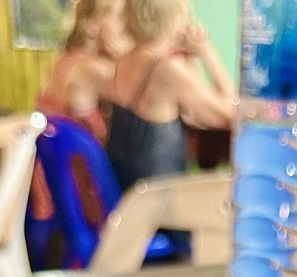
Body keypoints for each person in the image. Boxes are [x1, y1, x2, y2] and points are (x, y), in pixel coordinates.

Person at [101, 0, 235, 191]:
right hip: (160, 203)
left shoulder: (124, 61)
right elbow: (229, 114)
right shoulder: (167, 70)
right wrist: (207, 52)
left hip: (126, 198)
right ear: (174, 17)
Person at [37, 0, 131, 144]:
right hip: (77, 164)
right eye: (119, 16)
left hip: (52, 162)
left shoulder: (69, 59)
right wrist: (127, 57)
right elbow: (141, 93)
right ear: (90, 25)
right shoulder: (89, 69)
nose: (127, 24)